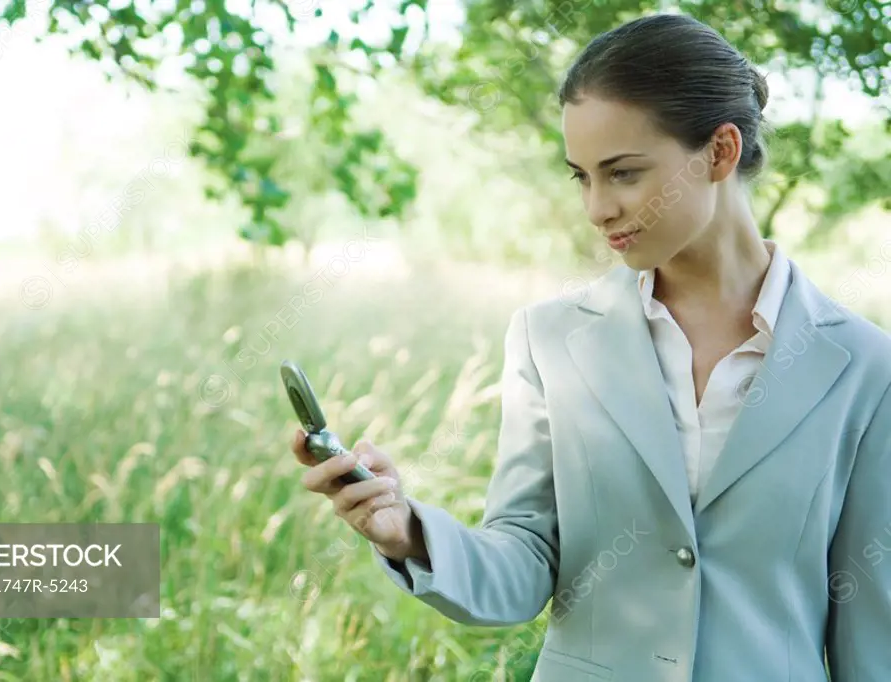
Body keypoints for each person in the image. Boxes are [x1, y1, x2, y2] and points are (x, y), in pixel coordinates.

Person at [291, 12, 891, 682]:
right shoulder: (551, 339)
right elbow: (525, 560)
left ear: (720, 152)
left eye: (623, 173)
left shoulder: (866, 369)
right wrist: (407, 531)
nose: (596, 207)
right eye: (580, 175)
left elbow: (871, 627)